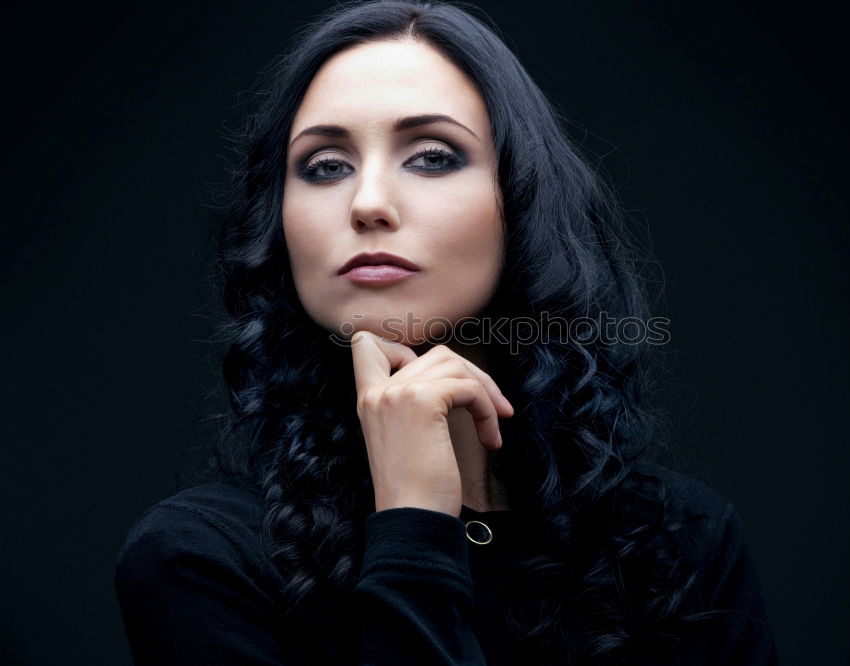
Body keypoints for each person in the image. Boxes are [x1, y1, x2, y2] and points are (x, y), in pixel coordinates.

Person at [113, 1, 780, 664]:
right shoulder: (200, 559)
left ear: (519, 203)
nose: (368, 202)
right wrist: (414, 523)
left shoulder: (680, 541)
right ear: (280, 226)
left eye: (431, 157)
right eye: (323, 166)